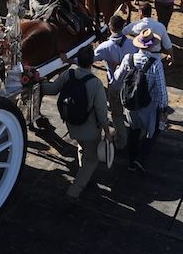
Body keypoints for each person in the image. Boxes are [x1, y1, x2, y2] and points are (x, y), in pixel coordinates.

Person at [40, 44, 112, 198]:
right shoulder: (96, 84)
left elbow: (51, 89)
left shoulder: (69, 74)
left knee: (82, 147)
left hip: (71, 124)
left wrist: (39, 82)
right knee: (92, 158)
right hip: (89, 129)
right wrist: (107, 132)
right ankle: (75, 190)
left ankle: (83, 174)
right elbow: (101, 112)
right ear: (92, 61)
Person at [111, 29, 169, 171]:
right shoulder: (156, 63)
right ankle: (141, 158)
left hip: (131, 103)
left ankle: (131, 161)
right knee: (154, 131)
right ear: (151, 46)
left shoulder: (128, 58)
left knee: (133, 130)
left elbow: (116, 79)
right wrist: (164, 109)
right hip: (148, 105)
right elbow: (161, 89)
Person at [94, 15, 133, 150]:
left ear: (110, 27)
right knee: (132, 110)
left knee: (116, 113)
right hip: (130, 85)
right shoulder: (132, 44)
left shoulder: (105, 47)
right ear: (123, 27)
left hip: (115, 85)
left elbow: (88, 59)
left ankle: (121, 140)